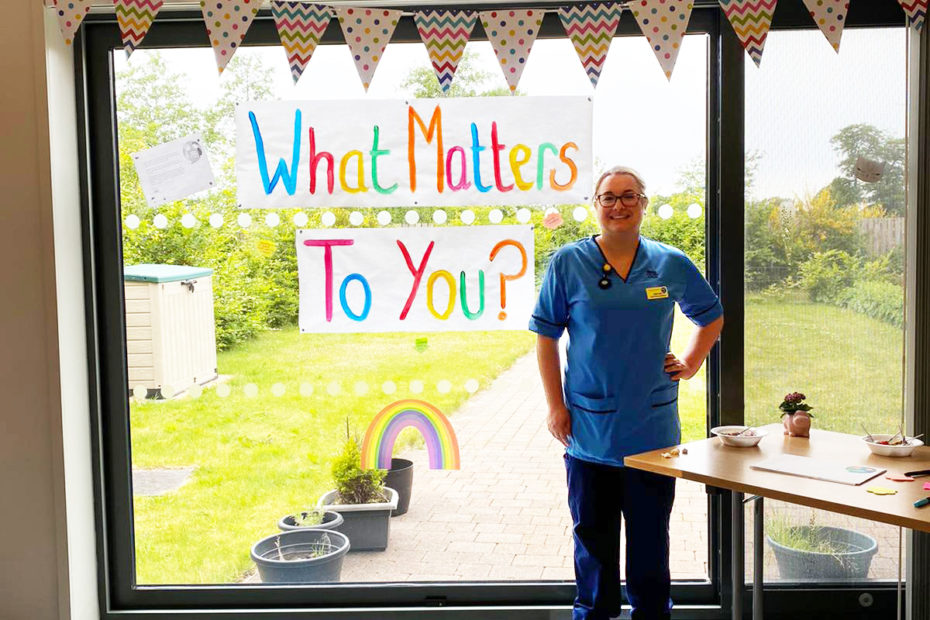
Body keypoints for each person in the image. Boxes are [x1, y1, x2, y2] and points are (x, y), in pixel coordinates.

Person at [528, 166, 724, 620]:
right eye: (608, 197)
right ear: (594, 206)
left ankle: (652, 615)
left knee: (651, 540)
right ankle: (593, 614)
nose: (619, 205)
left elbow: (710, 316)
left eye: (629, 196)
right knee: (593, 541)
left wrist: (691, 362)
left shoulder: (670, 262)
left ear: (644, 204)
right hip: (588, 428)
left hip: (652, 428)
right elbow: (545, 337)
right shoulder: (568, 263)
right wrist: (555, 406)